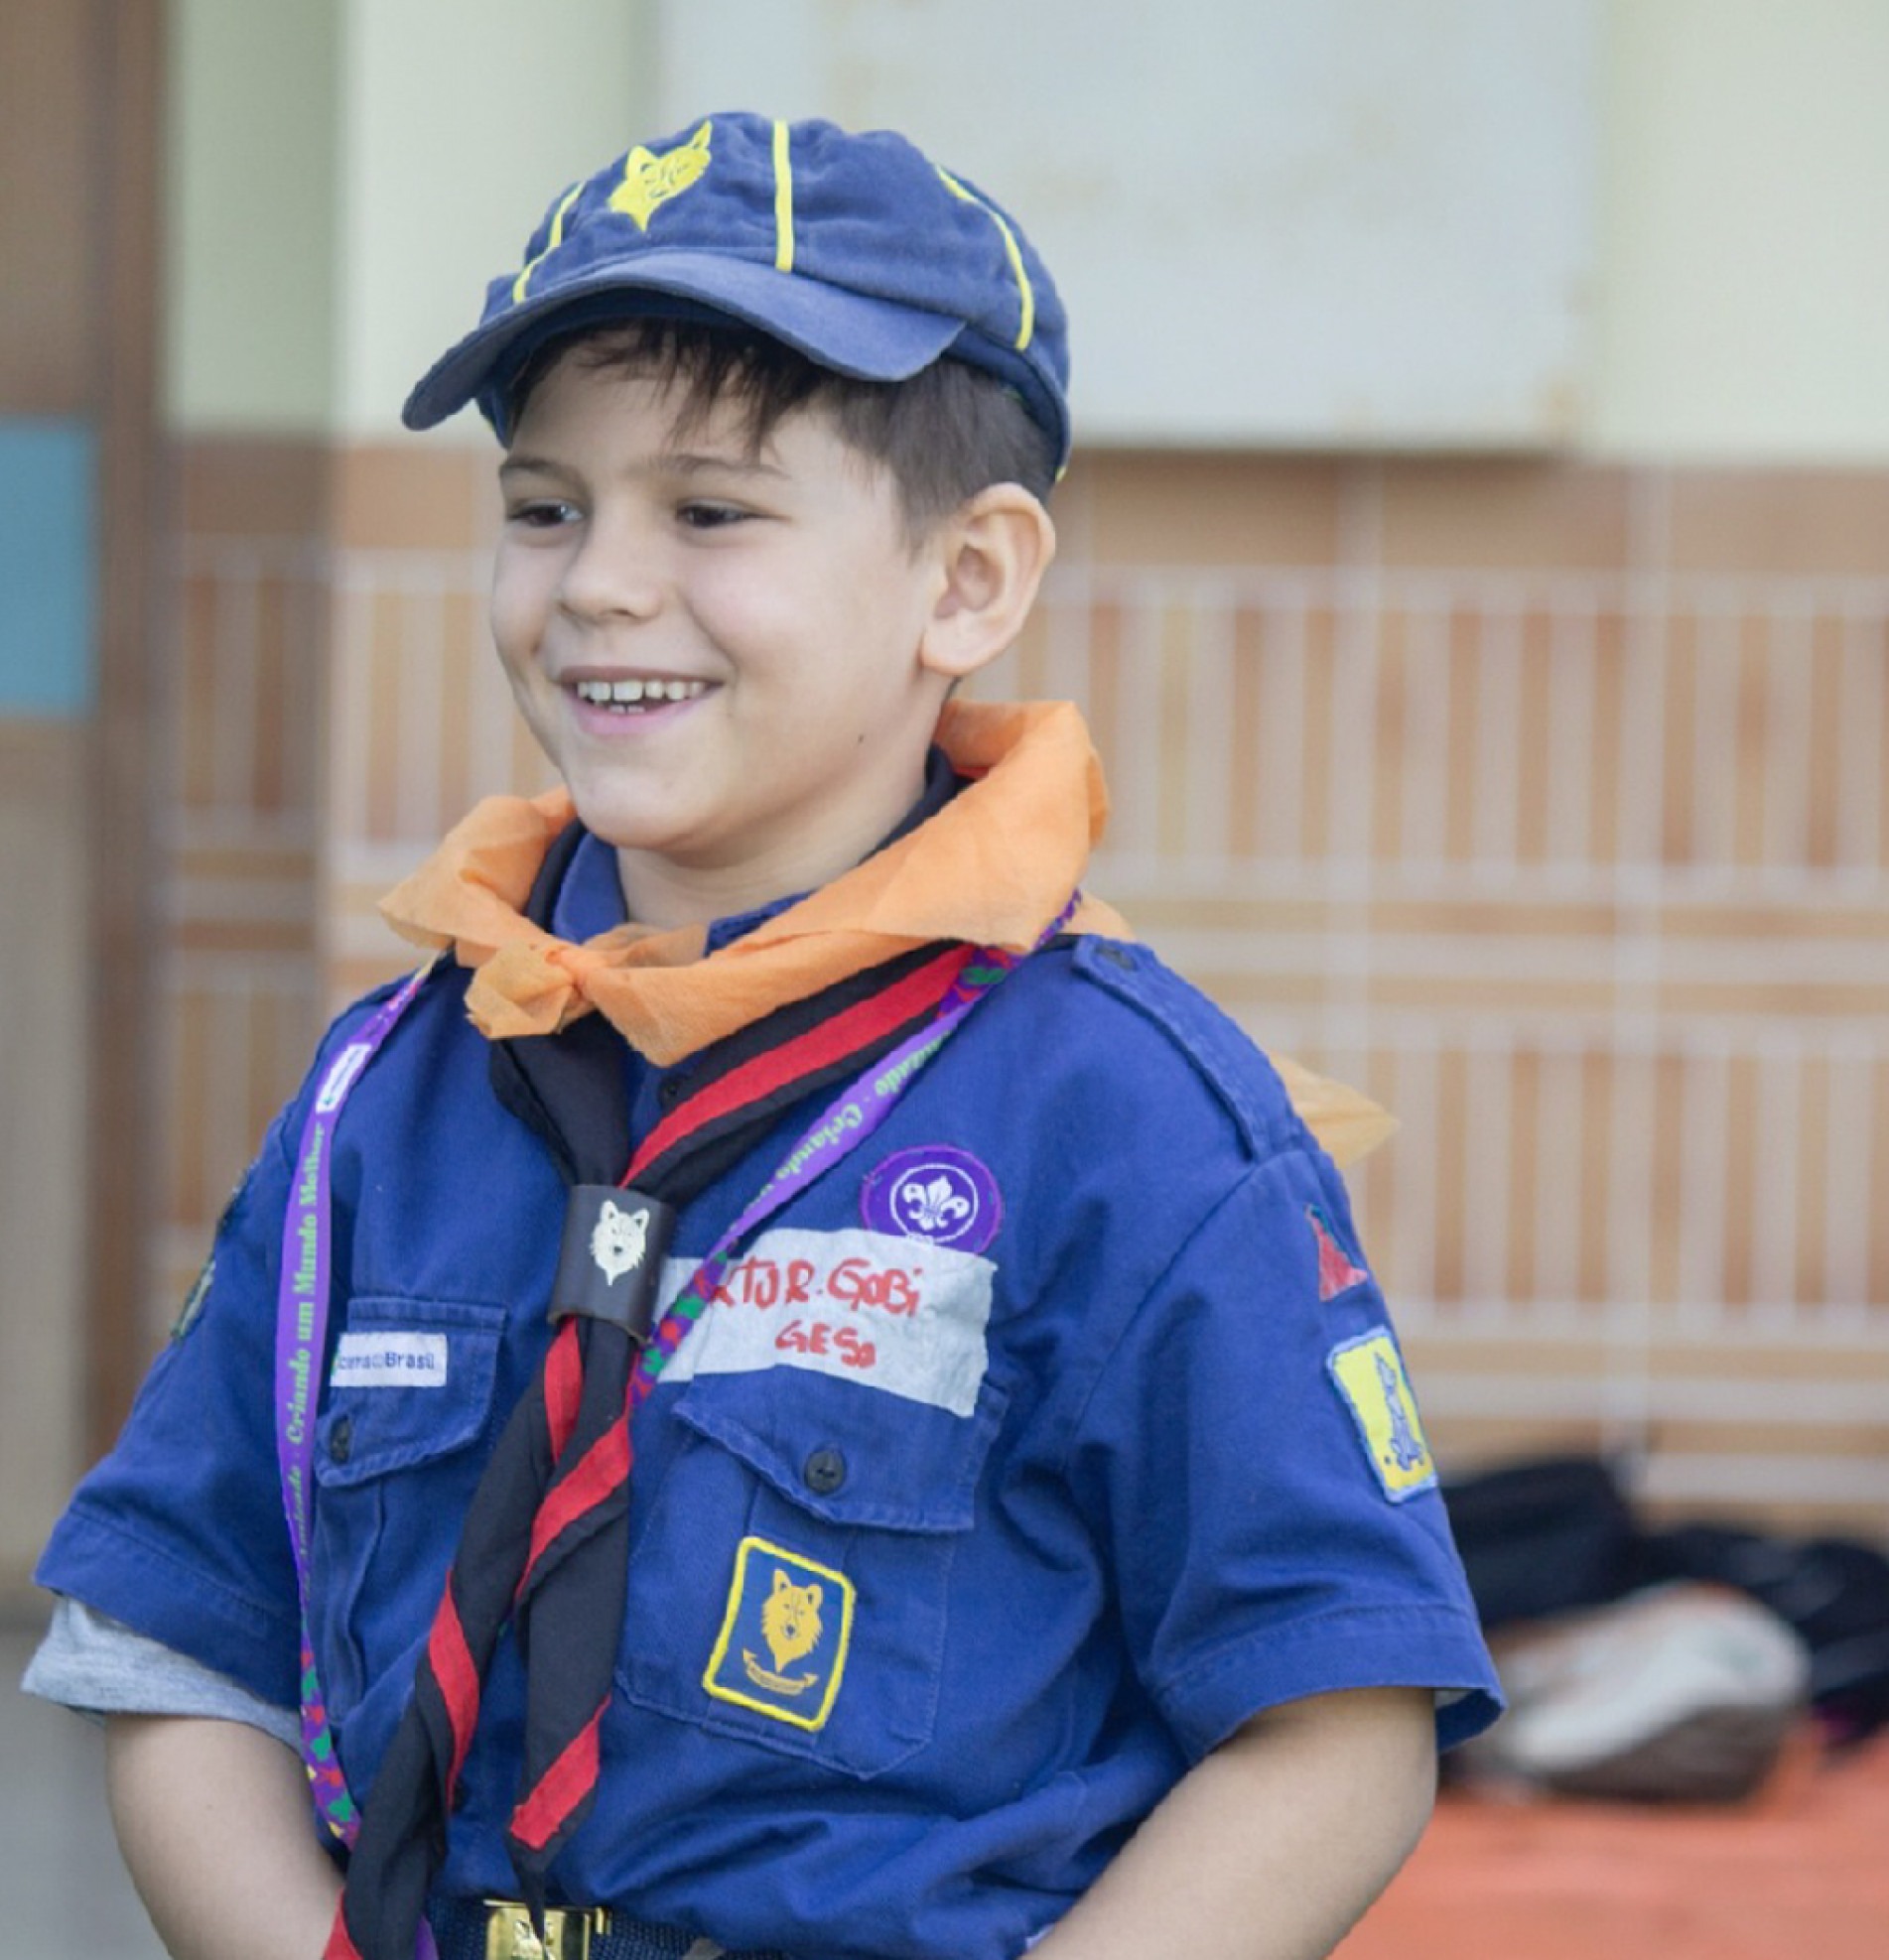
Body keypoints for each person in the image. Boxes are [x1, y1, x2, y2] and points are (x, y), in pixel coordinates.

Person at [26, 112, 1500, 1960]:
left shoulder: (1133, 1119)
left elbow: (1333, 1727)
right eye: (545, 507)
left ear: (968, 582)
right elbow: (178, 1637)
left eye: (710, 511)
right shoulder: (383, 1094)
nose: (598, 584)